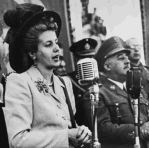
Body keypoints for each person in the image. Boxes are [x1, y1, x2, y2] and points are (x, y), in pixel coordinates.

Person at [3, 3, 91, 148]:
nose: (57, 49)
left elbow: (68, 125)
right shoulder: (19, 81)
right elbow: (18, 140)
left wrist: (81, 132)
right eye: (48, 44)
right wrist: (66, 136)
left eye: (56, 42)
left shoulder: (65, 83)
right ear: (33, 53)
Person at [83, 36, 149, 148]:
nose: (127, 61)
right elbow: (102, 128)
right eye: (121, 58)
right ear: (107, 66)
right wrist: (138, 130)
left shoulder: (138, 90)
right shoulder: (98, 94)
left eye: (127, 57)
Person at [67, 38, 98, 126]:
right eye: (83, 58)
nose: (88, 61)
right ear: (76, 58)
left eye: (90, 57)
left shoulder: (102, 78)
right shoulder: (68, 80)